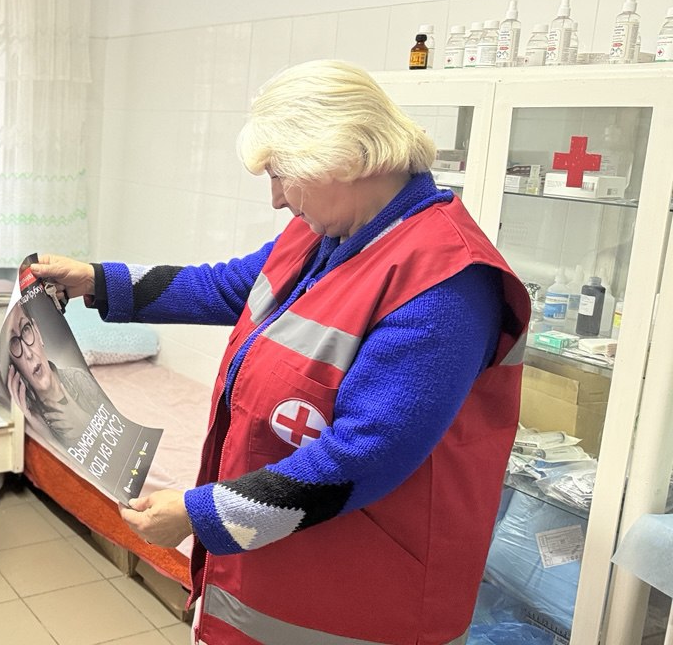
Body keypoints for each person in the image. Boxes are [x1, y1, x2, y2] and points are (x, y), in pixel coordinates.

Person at [33, 60, 530, 644]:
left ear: (341, 159)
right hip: (272, 568)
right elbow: (224, 286)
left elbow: (363, 458)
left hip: (359, 601)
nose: (274, 198)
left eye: (280, 174)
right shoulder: (327, 233)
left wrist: (199, 515)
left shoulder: (445, 282)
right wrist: (94, 279)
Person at [4, 302, 104, 451]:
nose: (29, 354)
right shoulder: (28, 413)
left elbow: (120, 445)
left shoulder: (80, 380)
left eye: (26, 329)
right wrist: (44, 433)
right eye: (14, 343)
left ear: (37, 332)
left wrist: (85, 423)